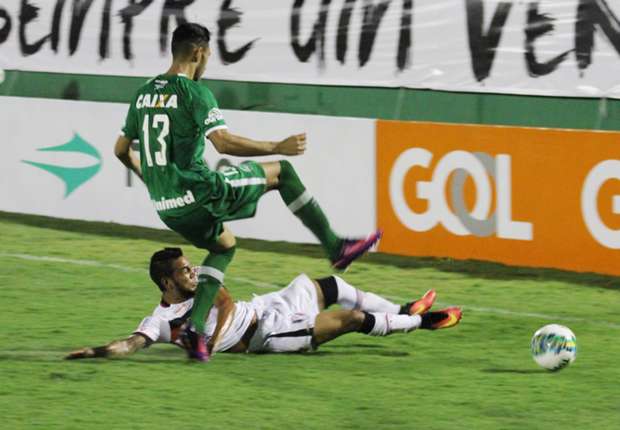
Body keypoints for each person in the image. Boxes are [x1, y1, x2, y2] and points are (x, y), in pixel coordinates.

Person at [113, 23, 381, 361]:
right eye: (208, 55)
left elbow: (121, 150)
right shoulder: (195, 93)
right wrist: (276, 145)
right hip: (203, 192)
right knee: (282, 172)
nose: (207, 62)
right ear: (198, 52)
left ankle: (196, 331)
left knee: (224, 246)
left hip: (167, 206)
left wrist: (152, 179)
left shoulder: (143, 93)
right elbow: (222, 142)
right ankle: (336, 246)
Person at [66, 248, 462, 361]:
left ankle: (403, 308)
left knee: (329, 283)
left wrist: (207, 340)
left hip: (264, 306)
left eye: (191, 266)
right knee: (352, 319)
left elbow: (223, 300)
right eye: (185, 271)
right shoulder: (161, 319)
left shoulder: (204, 284)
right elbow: (132, 343)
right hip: (267, 334)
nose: (193, 272)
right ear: (167, 283)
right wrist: (96, 351)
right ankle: (422, 323)